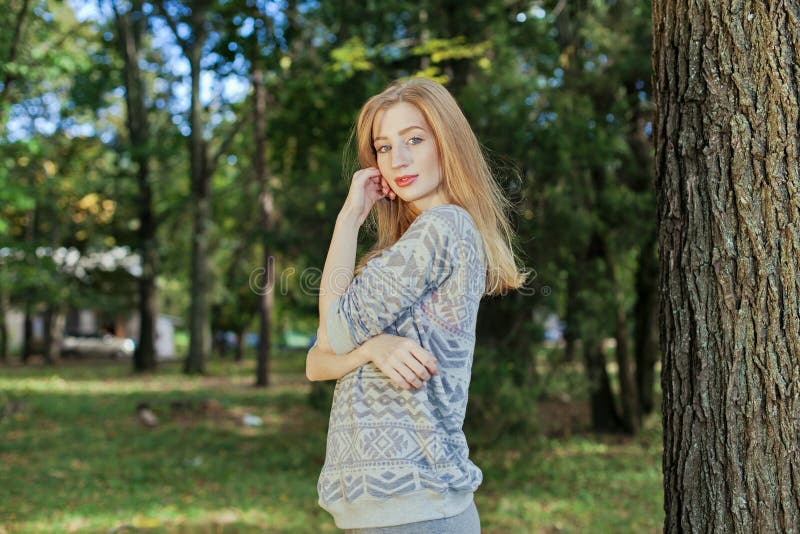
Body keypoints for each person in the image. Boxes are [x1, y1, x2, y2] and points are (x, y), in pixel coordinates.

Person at [306, 77, 528, 533]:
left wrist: (349, 218)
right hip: (393, 510)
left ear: (447, 143)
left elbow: (331, 336)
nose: (398, 160)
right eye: (383, 147)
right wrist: (371, 349)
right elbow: (315, 363)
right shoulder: (403, 248)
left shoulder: (443, 227)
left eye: (414, 139)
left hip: (416, 507)